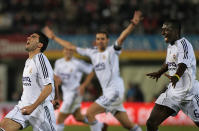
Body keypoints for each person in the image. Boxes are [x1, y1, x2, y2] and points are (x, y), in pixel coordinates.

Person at [43, 10, 143, 131]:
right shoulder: (92, 52)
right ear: (96, 41)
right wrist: (53, 37)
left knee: (90, 113)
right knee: (128, 125)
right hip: (108, 93)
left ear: (107, 40)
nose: (100, 41)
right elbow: (70, 46)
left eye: (103, 39)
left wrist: (132, 24)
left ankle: (99, 128)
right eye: (98, 39)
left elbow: (122, 38)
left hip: (115, 91)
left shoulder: (112, 51)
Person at [146, 19, 199, 131]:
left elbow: (183, 64)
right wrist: (159, 72)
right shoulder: (171, 45)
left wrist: (176, 76)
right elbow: (168, 62)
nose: (163, 33)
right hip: (173, 94)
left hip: (189, 95)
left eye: (166, 30)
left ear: (176, 31)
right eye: (162, 30)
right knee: (151, 123)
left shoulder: (184, 44)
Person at [0, 32, 57, 131]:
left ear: (40, 45)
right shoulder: (28, 61)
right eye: (29, 36)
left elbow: (49, 87)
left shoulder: (40, 58)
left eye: (33, 37)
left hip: (40, 109)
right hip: (23, 107)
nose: (28, 38)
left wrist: (33, 107)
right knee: (4, 126)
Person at [54, 48, 94, 131]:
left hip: (75, 93)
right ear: (63, 51)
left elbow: (91, 71)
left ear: (73, 52)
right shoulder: (58, 62)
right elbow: (55, 76)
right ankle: (98, 124)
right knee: (78, 117)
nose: (68, 52)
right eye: (66, 50)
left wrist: (83, 85)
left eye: (70, 50)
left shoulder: (78, 63)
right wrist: (57, 80)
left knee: (60, 119)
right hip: (66, 93)